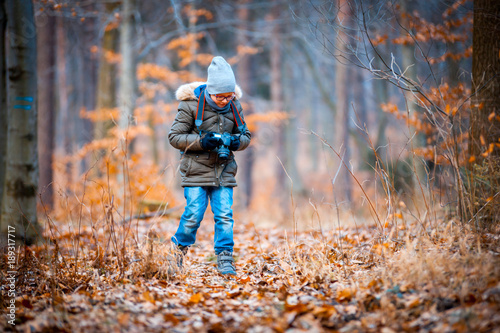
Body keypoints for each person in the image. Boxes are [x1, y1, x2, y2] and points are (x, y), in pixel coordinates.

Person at [168, 56, 251, 275]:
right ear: (210, 91)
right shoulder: (189, 105)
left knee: (224, 216)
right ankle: (177, 253)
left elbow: (246, 137)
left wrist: (235, 141)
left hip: (223, 171)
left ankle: (225, 259)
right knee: (193, 214)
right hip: (195, 171)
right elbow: (175, 137)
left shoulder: (235, 105)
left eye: (229, 95)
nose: (225, 100)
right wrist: (202, 142)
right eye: (220, 96)